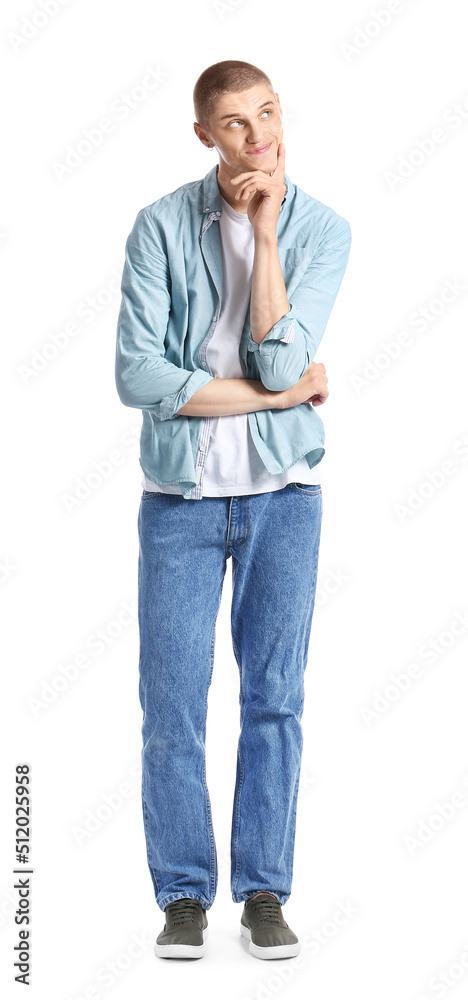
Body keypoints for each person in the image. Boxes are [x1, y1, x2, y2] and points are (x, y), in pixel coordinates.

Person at [115, 59, 351, 962]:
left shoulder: (323, 229)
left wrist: (264, 233)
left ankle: (263, 893)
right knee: (171, 706)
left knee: (273, 700)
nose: (259, 137)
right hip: (178, 501)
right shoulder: (159, 227)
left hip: (283, 501)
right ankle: (182, 896)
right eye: (235, 124)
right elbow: (140, 379)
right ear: (205, 136)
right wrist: (272, 398)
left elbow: (287, 363)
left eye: (267, 115)